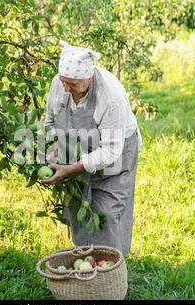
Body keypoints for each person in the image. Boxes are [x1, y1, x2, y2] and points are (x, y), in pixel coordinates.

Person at [42, 40, 141, 257]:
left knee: (106, 211)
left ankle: (109, 268)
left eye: (73, 85)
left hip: (117, 153)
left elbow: (110, 151)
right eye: (63, 82)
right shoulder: (59, 84)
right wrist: (56, 143)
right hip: (81, 146)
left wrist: (71, 168)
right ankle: (84, 260)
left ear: (88, 78)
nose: (66, 88)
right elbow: (49, 120)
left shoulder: (110, 97)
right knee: (78, 207)